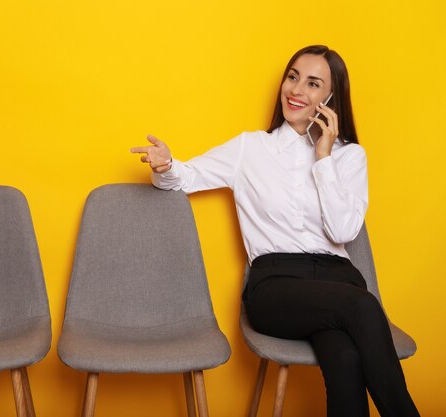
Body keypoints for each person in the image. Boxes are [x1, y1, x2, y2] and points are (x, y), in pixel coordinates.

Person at [131, 45, 419, 417]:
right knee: (363, 307)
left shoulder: (349, 157)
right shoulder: (250, 148)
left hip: (337, 282)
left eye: (313, 84)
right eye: (293, 77)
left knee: (345, 356)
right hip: (276, 284)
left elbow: (344, 229)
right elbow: (184, 178)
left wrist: (324, 159)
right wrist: (166, 164)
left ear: (331, 99)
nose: (296, 90)